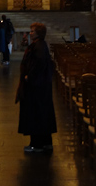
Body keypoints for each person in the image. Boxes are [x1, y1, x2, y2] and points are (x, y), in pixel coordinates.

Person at [15, 22, 57, 153]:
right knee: (43, 113)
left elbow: (38, 64)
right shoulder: (40, 45)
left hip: (36, 86)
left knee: (36, 113)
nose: (30, 33)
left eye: (32, 31)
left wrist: (29, 77)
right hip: (41, 86)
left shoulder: (38, 46)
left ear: (38, 33)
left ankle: (37, 144)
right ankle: (46, 142)